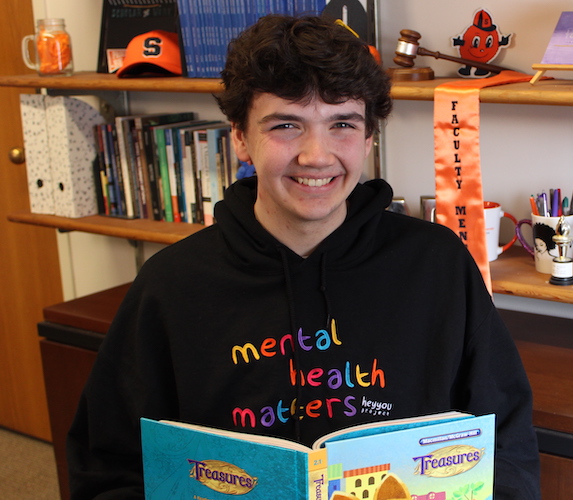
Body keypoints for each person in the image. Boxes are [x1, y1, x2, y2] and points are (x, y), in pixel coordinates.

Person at [66, 14, 541, 499]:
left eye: (342, 124)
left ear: (369, 137)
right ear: (239, 136)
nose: (317, 155)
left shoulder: (437, 264)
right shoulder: (171, 284)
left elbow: (506, 448)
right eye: (287, 125)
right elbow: (109, 470)